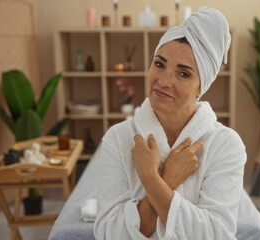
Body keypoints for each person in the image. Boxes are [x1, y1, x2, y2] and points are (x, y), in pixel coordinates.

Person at [94, 7, 246, 240]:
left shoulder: (226, 145)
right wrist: (168, 179)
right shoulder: (118, 138)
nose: (163, 81)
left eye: (183, 74)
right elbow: (107, 233)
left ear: (201, 87)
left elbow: (219, 235)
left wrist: (151, 178)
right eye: (159, 64)